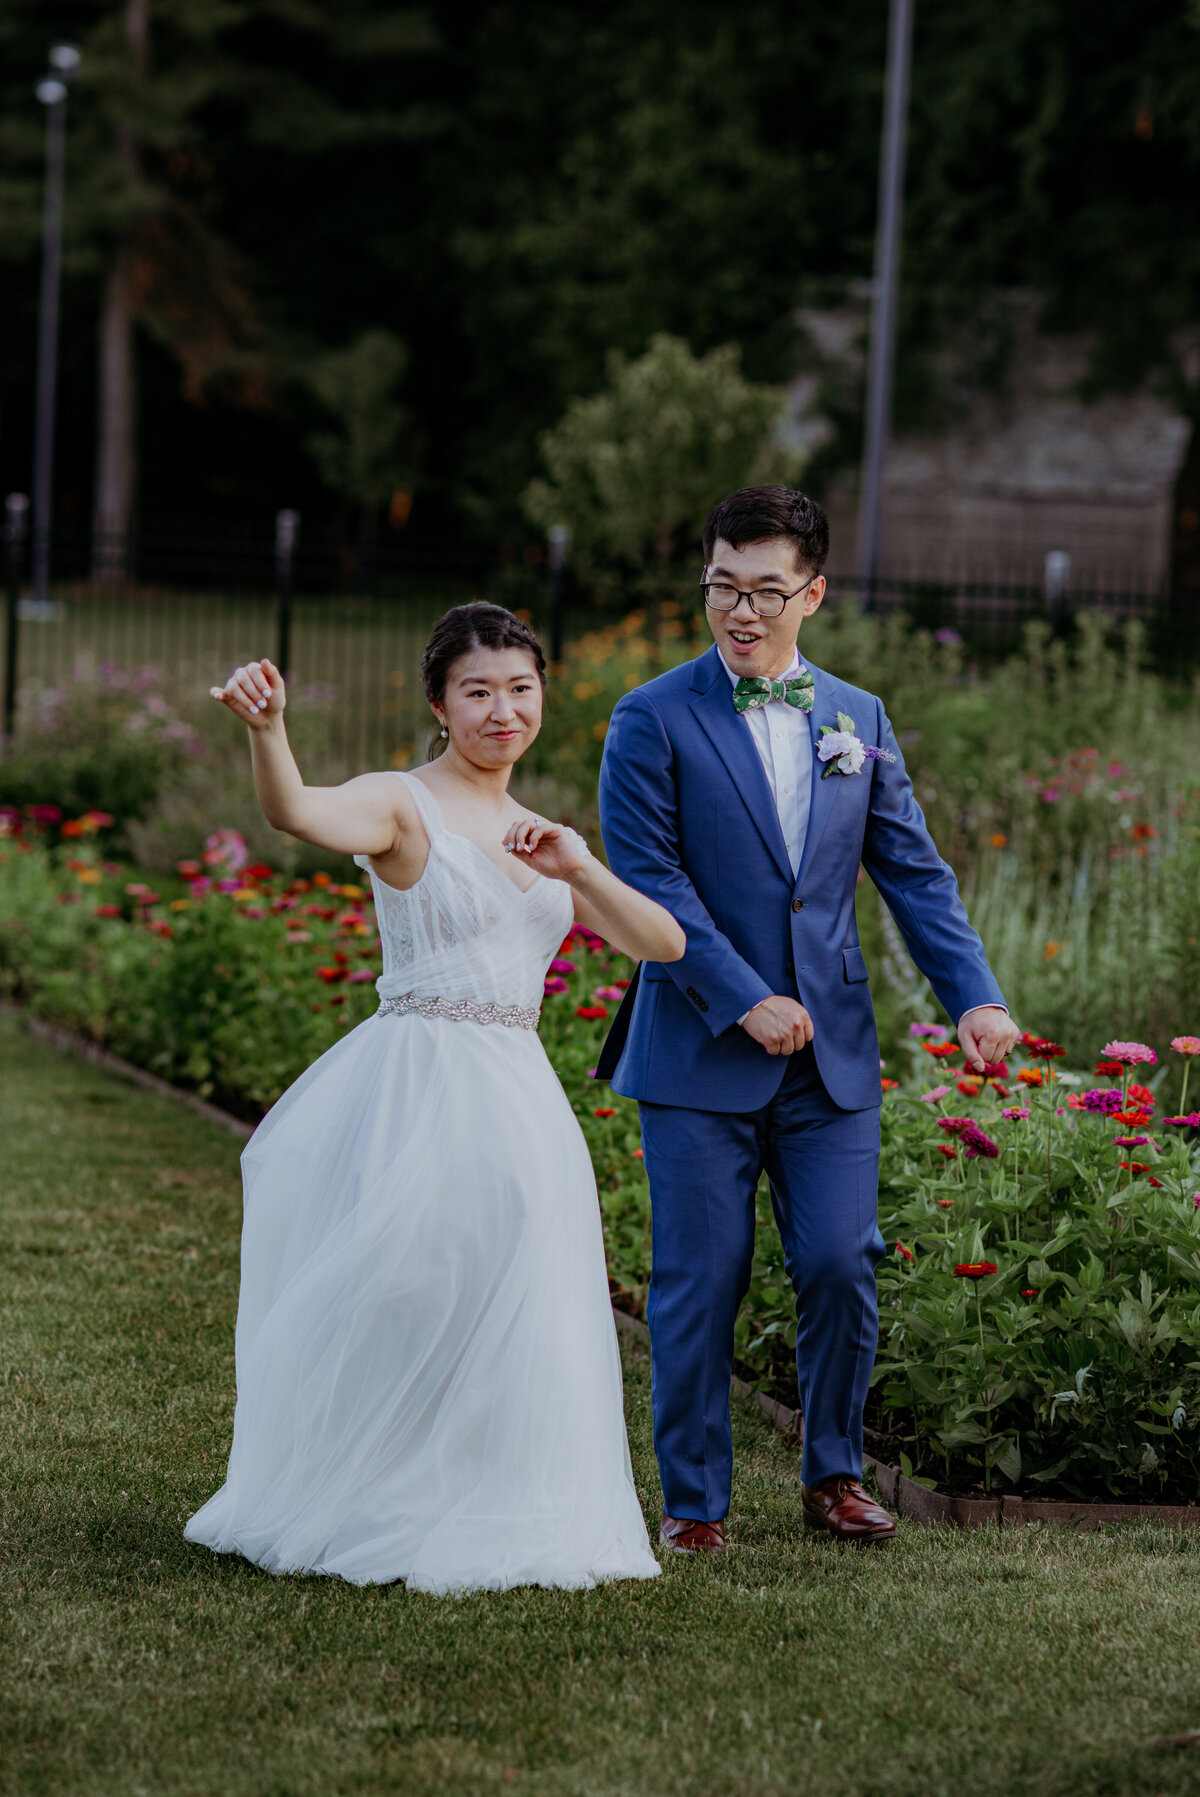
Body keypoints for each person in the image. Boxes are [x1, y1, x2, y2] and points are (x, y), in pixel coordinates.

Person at [185, 602, 682, 1593]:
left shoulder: (539, 830)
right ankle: (371, 1487)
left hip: (519, 1093)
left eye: (521, 689)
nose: (503, 711)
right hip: (421, 1078)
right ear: (440, 705)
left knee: (522, 1292)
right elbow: (297, 814)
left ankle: (492, 1491)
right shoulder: (402, 804)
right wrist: (269, 732)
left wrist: (578, 863)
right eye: (479, 692)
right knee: (414, 1282)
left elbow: (661, 945)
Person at [596, 486, 1019, 1551]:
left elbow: (912, 872)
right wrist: (745, 998)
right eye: (722, 588)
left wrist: (974, 994)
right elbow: (652, 881)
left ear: (813, 594)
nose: (741, 612)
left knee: (840, 1263)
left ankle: (834, 1474)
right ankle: (694, 1501)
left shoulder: (855, 719)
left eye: (766, 591)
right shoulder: (651, 716)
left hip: (830, 1061)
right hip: (697, 1050)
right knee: (703, 1280)